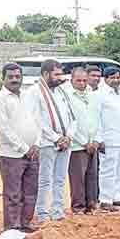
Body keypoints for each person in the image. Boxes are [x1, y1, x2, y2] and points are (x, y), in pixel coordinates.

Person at [0, 63, 40, 231]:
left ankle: (26, 223)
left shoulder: (27, 96)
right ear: (3, 78)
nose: (14, 80)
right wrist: (24, 148)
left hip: (32, 153)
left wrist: (36, 144)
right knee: (13, 194)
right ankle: (12, 227)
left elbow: (37, 121)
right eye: (10, 77)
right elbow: (4, 129)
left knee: (30, 192)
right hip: (12, 155)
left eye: (17, 76)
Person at [26, 59, 75, 224]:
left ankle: (58, 210)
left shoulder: (62, 91)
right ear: (46, 74)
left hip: (65, 142)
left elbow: (71, 117)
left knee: (60, 178)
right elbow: (36, 120)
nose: (60, 77)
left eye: (61, 73)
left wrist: (68, 136)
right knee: (45, 179)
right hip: (47, 142)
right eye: (57, 74)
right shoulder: (34, 92)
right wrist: (56, 138)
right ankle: (42, 212)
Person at [96, 67, 120, 211]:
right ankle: (105, 200)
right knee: (108, 170)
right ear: (105, 79)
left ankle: (116, 196)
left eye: (118, 77)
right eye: (112, 77)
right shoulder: (100, 95)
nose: (116, 80)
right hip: (109, 139)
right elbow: (97, 118)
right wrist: (100, 139)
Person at [67, 67, 100, 214]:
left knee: (92, 175)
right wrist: (83, 142)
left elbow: (98, 119)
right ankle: (78, 207)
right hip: (77, 145)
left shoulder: (92, 95)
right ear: (71, 80)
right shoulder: (68, 97)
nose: (82, 83)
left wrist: (95, 141)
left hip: (92, 143)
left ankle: (91, 205)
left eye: (84, 80)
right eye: (78, 80)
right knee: (78, 178)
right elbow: (71, 123)